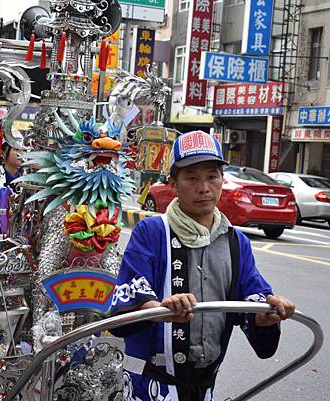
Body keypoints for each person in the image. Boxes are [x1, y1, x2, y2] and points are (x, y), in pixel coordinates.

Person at [110, 130, 295, 401]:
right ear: (173, 182)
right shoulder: (151, 232)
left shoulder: (236, 242)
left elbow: (253, 296)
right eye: (192, 178)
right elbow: (128, 297)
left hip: (205, 388)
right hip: (149, 387)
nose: (204, 187)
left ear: (222, 180)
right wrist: (158, 309)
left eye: (212, 177)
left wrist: (265, 314)